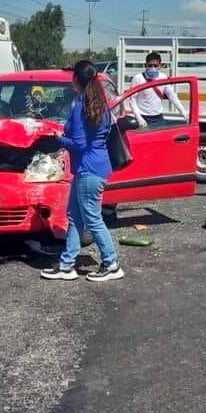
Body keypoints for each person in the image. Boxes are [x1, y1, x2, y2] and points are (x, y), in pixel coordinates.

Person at [41, 60, 124, 282]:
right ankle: (67, 264)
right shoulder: (97, 104)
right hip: (94, 166)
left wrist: (57, 138)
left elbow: (78, 143)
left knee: (91, 218)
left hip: (88, 169)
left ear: (76, 79)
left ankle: (111, 262)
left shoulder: (80, 106)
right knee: (75, 217)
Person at [129, 52, 188, 126]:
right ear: (146, 65)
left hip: (158, 118)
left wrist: (183, 112)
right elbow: (132, 100)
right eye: (150, 65)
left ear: (160, 66)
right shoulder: (138, 78)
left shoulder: (163, 77)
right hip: (143, 117)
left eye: (155, 65)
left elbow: (172, 96)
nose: (152, 68)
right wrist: (139, 118)